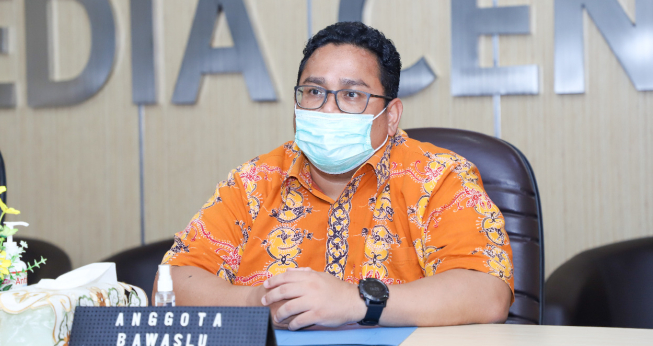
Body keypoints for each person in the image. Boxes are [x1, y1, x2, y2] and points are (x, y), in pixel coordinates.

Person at [155, 22, 514, 330]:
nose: (328, 109)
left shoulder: (439, 178)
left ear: (391, 116)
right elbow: (170, 283)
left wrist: (357, 302)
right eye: (314, 92)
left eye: (351, 94)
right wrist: (258, 302)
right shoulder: (253, 182)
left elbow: (487, 293)